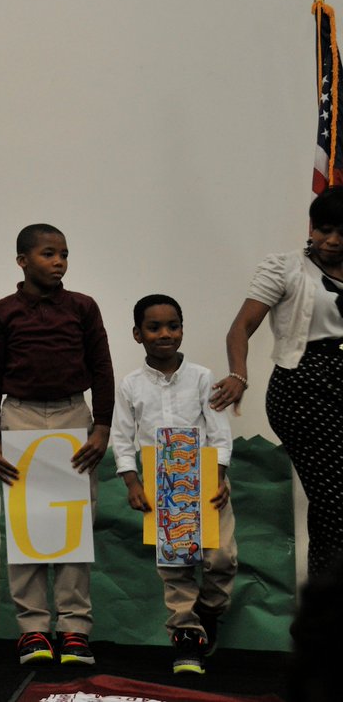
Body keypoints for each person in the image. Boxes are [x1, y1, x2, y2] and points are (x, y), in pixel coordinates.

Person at [0, 224, 114, 666]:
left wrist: (101, 427)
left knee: (75, 523)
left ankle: (75, 628)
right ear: (22, 261)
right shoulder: (0, 313)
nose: (59, 262)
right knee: (27, 524)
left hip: (73, 414)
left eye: (64, 254)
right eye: (49, 254)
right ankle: (33, 628)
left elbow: (102, 367)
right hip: (19, 415)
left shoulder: (83, 307)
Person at [211, 187, 343, 577]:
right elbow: (241, 327)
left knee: (330, 502)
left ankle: (323, 595)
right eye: (325, 229)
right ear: (311, 227)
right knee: (333, 500)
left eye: (342, 232)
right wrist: (239, 374)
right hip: (303, 387)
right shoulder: (285, 267)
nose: (332, 240)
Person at [109, 294, 236, 675]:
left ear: (182, 329)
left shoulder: (202, 377)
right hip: (163, 484)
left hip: (206, 481)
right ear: (137, 334)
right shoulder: (130, 385)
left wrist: (219, 477)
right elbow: (122, 438)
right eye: (154, 327)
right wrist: (133, 482)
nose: (165, 334)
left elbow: (219, 432)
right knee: (175, 566)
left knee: (221, 558)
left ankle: (208, 612)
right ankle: (186, 635)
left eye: (173, 326)